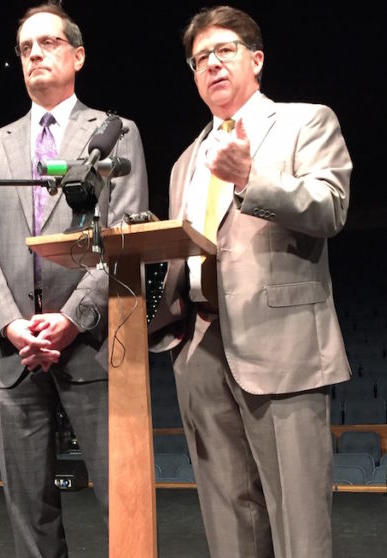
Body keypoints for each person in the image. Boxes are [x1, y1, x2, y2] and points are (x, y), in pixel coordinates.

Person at [148, 6, 352, 558]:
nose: (212, 64)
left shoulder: (306, 122)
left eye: (224, 51)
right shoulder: (185, 161)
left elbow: (330, 207)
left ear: (256, 60)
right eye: (200, 59)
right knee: (228, 520)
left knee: (298, 521)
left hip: (281, 345)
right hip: (198, 346)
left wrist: (249, 178)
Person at [0, 4, 148, 557]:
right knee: (30, 512)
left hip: (94, 345)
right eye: (25, 48)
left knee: (123, 503)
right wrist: (12, 325)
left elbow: (124, 236)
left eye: (48, 43)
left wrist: (70, 319)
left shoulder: (116, 134)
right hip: (12, 355)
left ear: (78, 55)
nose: (35, 54)